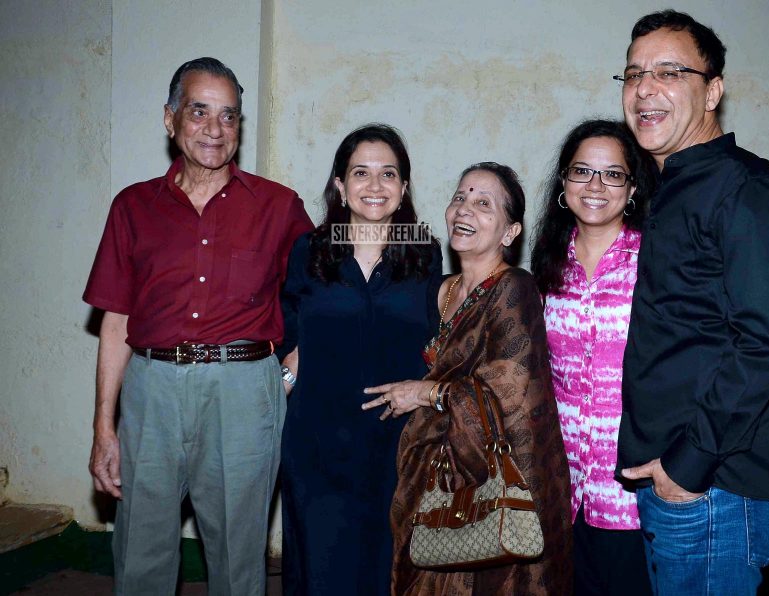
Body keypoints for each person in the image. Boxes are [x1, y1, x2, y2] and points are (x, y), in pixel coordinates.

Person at [83, 57, 313, 594]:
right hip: (152, 389)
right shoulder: (133, 207)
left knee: (238, 558)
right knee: (140, 549)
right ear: (170, 119)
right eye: (199, 111)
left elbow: (320, 294)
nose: (215, 129)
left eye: (229, 116)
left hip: (243, 391)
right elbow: (116, 319)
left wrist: (294, 366)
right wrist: (103, 425)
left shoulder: (279, 207)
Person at [612, 10, 769, 595]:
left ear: (713, 90)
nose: (645, 87)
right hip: (680, 484)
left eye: (670, 71)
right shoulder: (670, 189)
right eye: (633, 73)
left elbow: (766, 345)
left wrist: (686, 467)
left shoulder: (748, 189)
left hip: (716, 490)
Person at [362, 162, 573, 595]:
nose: (464, 210)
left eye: (483, 204)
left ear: (510, 233)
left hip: (486, 484)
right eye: (460, 197)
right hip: (430, 478)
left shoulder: (515, 288)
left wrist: (428, 392)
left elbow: (511, 393)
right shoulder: (439, 290)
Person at [277, 123, 442, 596]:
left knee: (390, 569)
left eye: (388, 173)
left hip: (398, 443)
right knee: (322, 568)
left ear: (404, 187)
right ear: (340, 185)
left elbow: (438, 340)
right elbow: (287, 333)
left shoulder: (425, 252)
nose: (375, 185)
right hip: (319, 442)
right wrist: (286, 380)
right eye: (361, 173)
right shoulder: (309, 251)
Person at [531, 119, 654, 596]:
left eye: (613, 174)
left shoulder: (655, 261)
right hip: (561, 487)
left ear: (633, 187)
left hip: (633, 491)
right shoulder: (547, 263)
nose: (596, 186)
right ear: (564, 183)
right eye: (582, 171)